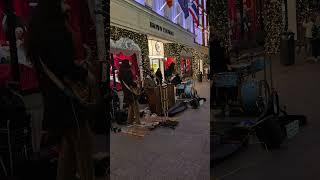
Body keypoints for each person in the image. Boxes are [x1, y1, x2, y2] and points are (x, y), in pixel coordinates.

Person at [26, 0, 95, 179]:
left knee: (68, 152)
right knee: (84, 153)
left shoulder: (37, 30)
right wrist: (83, 72)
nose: (68, 4)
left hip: (55, 100)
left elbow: (54, 64)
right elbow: (64, 65)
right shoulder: (55, 30)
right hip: (68, 102)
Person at [119, 60, 140, 125]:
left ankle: (129, 120)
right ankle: (137, 121)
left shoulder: (120, 71)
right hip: (130, 91)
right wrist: (135, 84)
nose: (130, 63)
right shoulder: (127, 71)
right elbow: (130, 81)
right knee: (136, 106)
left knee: (131, 105)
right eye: (128, 62)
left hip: (126, 90)